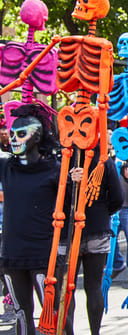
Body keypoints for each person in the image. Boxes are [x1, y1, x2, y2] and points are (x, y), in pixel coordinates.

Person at [0, 105, 60, 335]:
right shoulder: (6, 166)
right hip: (12, 254)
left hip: (44, 254)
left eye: (21, 134)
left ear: (37, 136)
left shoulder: (55, 170)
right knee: (21, 316)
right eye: (12, 134)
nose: (14, 139)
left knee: (51, 317)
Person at [61, 145, 123, 335]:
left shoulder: (63, 157)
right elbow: (117, 198)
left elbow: (117, 199)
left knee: (70, 287)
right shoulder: (99, 158)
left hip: (80, 230)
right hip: (88, 229)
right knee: (90, 286)